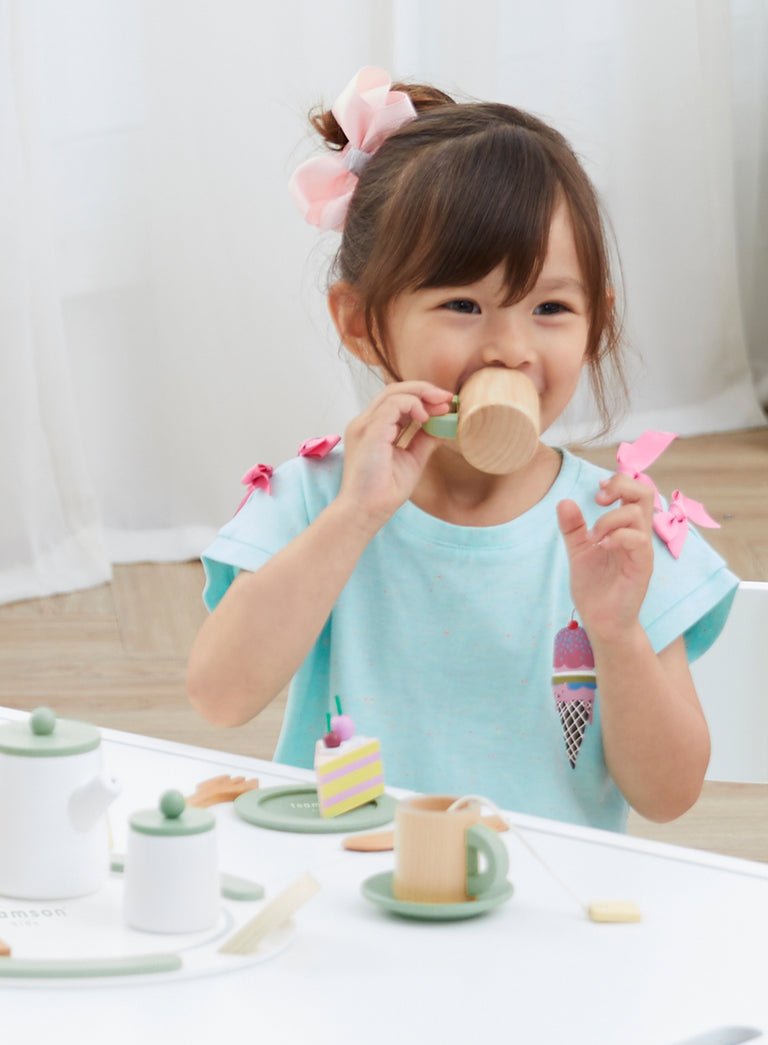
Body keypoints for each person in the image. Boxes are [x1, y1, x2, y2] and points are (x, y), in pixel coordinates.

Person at [185, 68, 739, 831]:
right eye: (463, 305)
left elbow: (670, 795)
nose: (510, 347)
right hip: (351, 884)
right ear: (359, 321)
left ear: (595, 320)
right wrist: (352, 518)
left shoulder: (617, 534)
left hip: (540, 911)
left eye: (550, 307)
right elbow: (220, 697)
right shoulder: (320, 498)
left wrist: (616, 632)